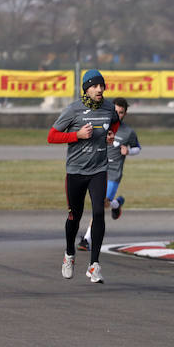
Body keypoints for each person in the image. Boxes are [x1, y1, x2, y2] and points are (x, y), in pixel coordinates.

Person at [47, 69, 120, 284]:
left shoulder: (109, 107)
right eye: (95, 86)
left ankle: (94, 265)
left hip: (99, 169)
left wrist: (110, 134)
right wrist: (76, 135)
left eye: (102, 86)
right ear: (86, 89)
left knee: (99, 212)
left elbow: (114, 121)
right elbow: (52, 136)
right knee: (74, 217)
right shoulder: (73, 110)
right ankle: (69, 254)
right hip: (76, 172)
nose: (99, 89)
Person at [78, 97, 141, 251]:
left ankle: (86, 239)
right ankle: (117, 204)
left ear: (124, 114)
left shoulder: (128, 132)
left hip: (113, 174)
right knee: (103, 203)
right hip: (98, 170)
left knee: (98, 205)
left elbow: (137, 147)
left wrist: (129, 151)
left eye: (121, 112)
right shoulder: (100, 125)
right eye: (115, 111)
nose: (117, 114)